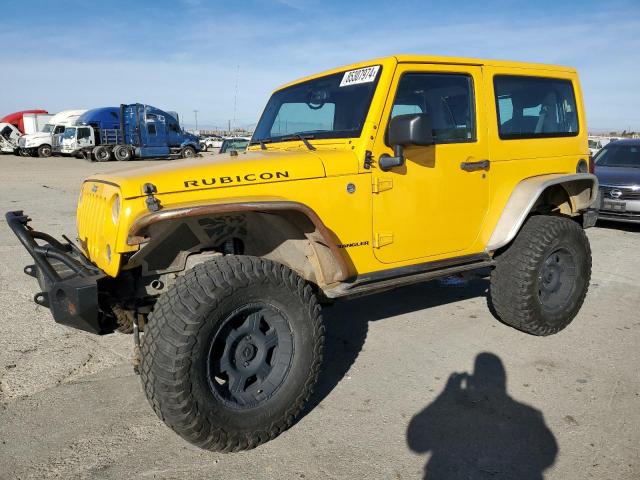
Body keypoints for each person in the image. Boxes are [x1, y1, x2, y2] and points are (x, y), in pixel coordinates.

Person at [407, 352, 558, 479]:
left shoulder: (528, 415)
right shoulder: (529, 414)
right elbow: (549, 452)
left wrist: (446, 394)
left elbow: (417, 443)